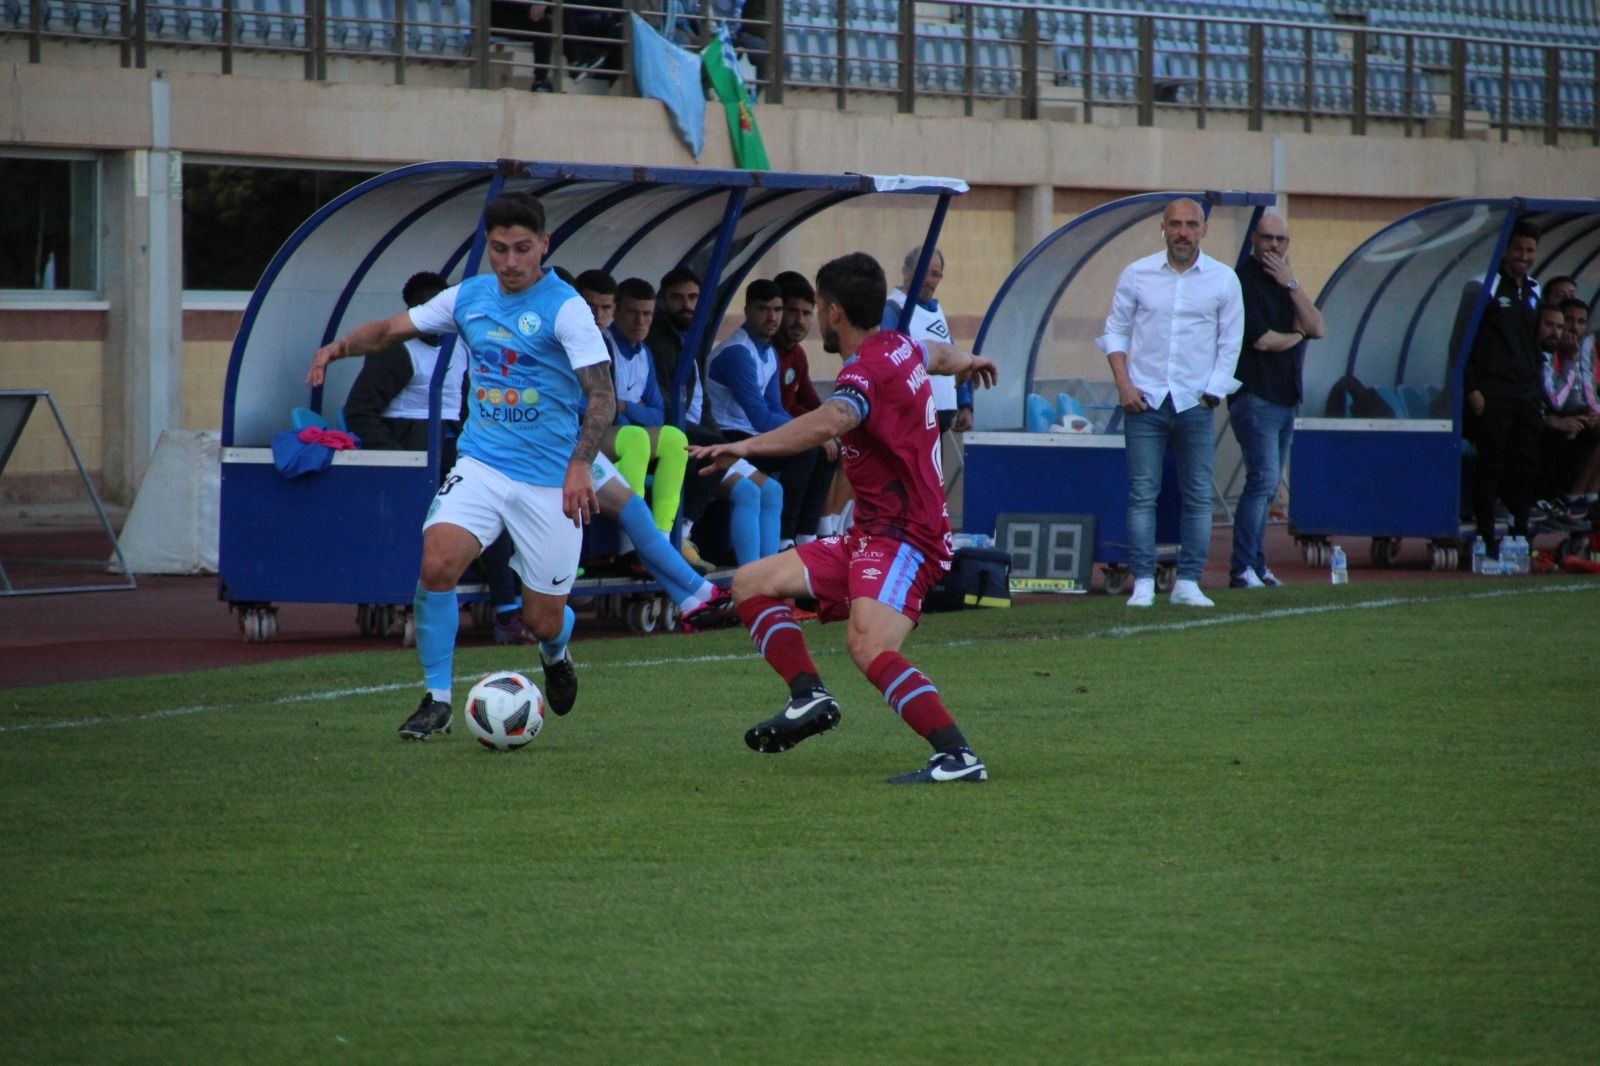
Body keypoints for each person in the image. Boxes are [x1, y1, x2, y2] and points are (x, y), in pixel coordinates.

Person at [308, 192, 615, 739]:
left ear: (543, 245)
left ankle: (556, 650)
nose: (511, 261)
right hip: (483, 463)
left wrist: (578, 466)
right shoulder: (469, 297)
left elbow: (601, 397)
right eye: (500, 249)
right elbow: (392, 330)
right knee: (436, 562)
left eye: (523, 249)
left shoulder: (566, 308)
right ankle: (437, 700)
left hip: (549, 480)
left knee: (540, 620)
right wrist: (341, 346)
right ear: (488, 248)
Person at [688, 251, 1000, 785]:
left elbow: (833, 418)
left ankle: (957, 756)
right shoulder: (899, 346)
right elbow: (938, 355)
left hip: (909, 538)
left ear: (833, 312)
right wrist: (969, 358)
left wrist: (744, 447)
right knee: (751, 583)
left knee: (869, 646)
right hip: (870, 535)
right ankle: (809, 696)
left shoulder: (863, 372)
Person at [343, 269, 538, 646]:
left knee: (505, 501)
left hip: (458, 443)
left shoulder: (462, 346)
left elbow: (473, 405)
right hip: (414, 450)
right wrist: (400, 459)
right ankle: (506, 611)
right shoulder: (396, 352)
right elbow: (359, 413)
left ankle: (510, 604)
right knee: (483, 506)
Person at [1100, 197, 1243, 608]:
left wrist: (1213, 390)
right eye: (1175, 224)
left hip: (1195, 402)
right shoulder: (1137, 274)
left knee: (1198, 494)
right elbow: (1116, 331)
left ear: (1204, 229)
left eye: (1191, 225)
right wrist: (1123, 385)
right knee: (1143, 493)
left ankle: (1189, 582)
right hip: (1144, 400)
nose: (1183, 232)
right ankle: (1143, 580)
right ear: (1163, 228)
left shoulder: (1223, 279)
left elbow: (1231, 341)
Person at [646, 265, 781, 567]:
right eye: (678, 298)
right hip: (673, 441)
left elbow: (701, 405)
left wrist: (713, 438)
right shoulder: (659, 341)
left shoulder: (690, 340)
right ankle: (688, 535)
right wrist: (714, 441)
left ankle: (769, 579)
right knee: (747, 490)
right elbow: (667, 408)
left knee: (772, 490)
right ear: (662, 302)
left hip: (700, 438)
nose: (687, 305)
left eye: (693, 297)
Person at [1227, 212, 1325, 589]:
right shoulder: (1241, 282)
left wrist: (1293, 285)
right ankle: (1241, 569)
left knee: (1268, 487)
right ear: (1254, 238)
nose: (1274, 246)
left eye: (1281, 240)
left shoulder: (1287, 284)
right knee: (1262, 481)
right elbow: (1263, 340)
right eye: (1267, 238)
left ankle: (1256, 565)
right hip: (1256, 397)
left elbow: (1317, 326)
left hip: (1285, 399)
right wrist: (1298, 336)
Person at [706, 278, 820, 547]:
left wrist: (809, 431)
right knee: (806, 451)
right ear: (747, 311)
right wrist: (807, 432)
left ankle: (809, 535)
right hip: (725, 435)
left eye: (778, 309)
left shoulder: (769, 350)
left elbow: (775, 407)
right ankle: (784, 538)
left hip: (748, 434)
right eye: (763, 309)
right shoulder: (738, 352)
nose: (772, 317)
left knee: (816, 451)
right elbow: (759, 415)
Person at [1461, 220, 1543, 560]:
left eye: (1530, 251)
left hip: (1525, 393)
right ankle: (1484, 534)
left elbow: (1534, 343)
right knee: (1491, 464)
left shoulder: (1534, 290)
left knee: (1525, 463)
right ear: (1505, 249)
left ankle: (1519, 530)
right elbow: (1462, 342)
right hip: (1492, 393)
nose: (1524, 257)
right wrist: (1472, 389)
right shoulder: (1484, 287)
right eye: (1518, 249)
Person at [599, 274, 689, 538]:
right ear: (616, 311)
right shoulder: (604, 343)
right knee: (636, 437)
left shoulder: (645, 353)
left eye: (647, 314)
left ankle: (661, 536)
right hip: (593, 433)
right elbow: (601, 408)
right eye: (632, 313)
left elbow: (658, 415)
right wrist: (629, 412)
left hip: (623, 428)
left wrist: (625, 407)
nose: (640, 321)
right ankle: (632, 540)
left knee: (675, 439)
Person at [884, 245, 973, 506]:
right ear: (906, 272)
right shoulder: (894, 310)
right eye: (924, 272)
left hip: (937, 425)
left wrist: (965, 402)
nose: (929, 280)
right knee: (913, 497)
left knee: (931, 497)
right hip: (911, 426)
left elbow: (951, 352)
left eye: (936, 274)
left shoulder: (935, 309)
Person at [773, 269, 839, 543]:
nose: (800, 321)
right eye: (792, 311)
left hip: (783, 426)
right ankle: (786, 537)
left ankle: (815, 530)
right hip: (758, 433)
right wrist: (817, 430)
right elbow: (782, 405)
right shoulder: (768, 351)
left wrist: (832, 423)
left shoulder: (797, 354)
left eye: (807, 313)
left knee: (841, 444)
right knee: (810, 451)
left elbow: (810, 399)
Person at [1537, 299, 1600, 520]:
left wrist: (1587, 411)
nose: (1574, 328)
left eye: (1581, 322)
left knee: (1584, 426)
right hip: (1536, 419)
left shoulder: (1569, 351)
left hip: (1554, 415)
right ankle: (1566, 497)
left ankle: (1586, 495)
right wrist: (1571, 360)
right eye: (1569, 321)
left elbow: (1575, 394)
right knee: (1567, 432)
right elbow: (1555, 400)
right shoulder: (1547, 353)